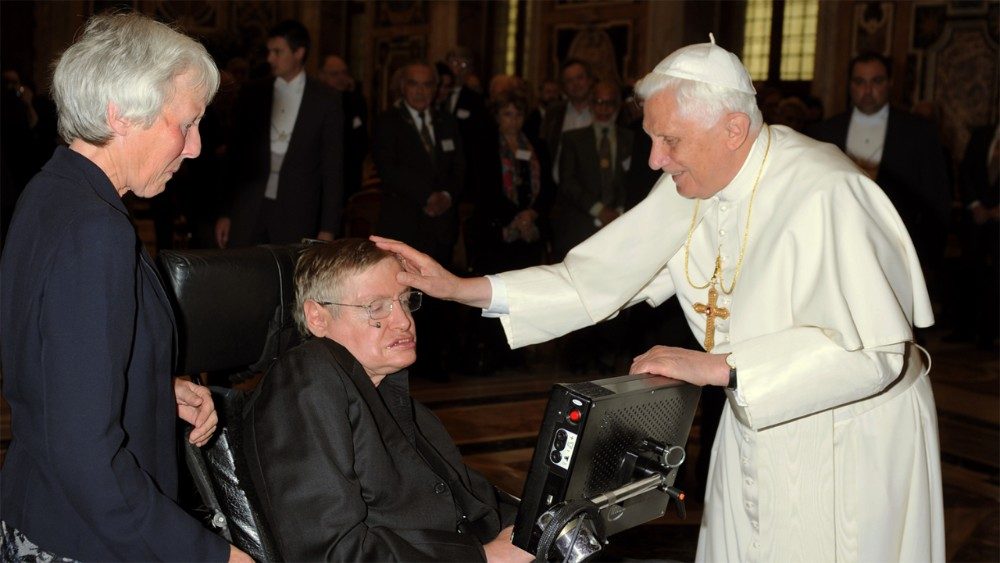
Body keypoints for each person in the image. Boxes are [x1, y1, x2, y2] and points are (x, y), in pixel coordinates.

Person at [374, 36, 944, 562]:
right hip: (756, 423)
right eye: (651, 138)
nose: (654, 160)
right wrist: (459, 287)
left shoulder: (828, 191)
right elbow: (590, 281)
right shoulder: (696, 181)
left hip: (844, 442)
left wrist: (719, 367)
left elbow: (876, 357)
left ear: (733, 129)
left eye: (669, 140)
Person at [0, 12, 249, 562]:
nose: (195, 147)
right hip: (86, 538)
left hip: (42, 508)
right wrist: (211, 556)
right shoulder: (95, 229)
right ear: (121, 114)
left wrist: (152, 386)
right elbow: (88, 459)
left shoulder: (52, 190)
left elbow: (53, 369)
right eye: (185, 123)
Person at [242, 239, 533, 562]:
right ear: (318, 317)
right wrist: (484, 557)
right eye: (376, 307)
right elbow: (330, 551)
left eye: (405, 301)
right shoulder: (306, 375)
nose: (404, 321)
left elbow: (468, 498)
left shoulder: (387, 393)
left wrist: (537, 526)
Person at [808, 52, 951, 271]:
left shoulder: (919, 132)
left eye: (876, 81)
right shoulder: (825, 131)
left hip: (898, 251)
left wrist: (926, 260)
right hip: (836, 249)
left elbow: (937, 199)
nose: (867, 90)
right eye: (859, 82)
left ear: (890, 83)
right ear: (849, 84)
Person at [215, 20, 343, 248]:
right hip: (248, 210)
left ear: (299, 53)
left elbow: (333, 168)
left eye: (277, 52)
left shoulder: (326, 99)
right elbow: (235, 159)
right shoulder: (253, 93)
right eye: (269, 52)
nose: (270, 59)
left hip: (297, 214)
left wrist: (328, 228)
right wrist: (225, 213)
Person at [551, 80, 633, 259]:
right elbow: (568, 183)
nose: (604, 109)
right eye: (598, 102)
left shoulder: (630, 139)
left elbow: (632, 181)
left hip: (621, 223)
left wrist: (618, 212)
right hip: (581, 226)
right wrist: (599, 210)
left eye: (609, 103)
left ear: (618, 106)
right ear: (590, 105)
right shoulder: (573, 139)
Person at [319, 53, 370, 210]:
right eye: (335, 74)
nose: (341, 78)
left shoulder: (356, 101)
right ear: (322, 76)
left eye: (344, 73)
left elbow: (361, 140)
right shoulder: (315, 103)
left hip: (349, 178)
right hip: (321, 179)